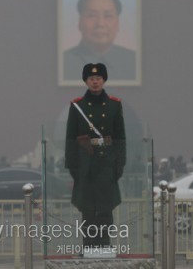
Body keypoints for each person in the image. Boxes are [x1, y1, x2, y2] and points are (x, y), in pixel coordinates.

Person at [64, 63, 126, 249]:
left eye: (98, 78)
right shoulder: (77, 106)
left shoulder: (115, 105)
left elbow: (120, 138)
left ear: (104, 80)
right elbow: (70, 138)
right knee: (88, 210)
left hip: (107, 163)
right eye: (91, 78)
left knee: (106, 210)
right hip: (86, 165)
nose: (95, 81)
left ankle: (105, 247)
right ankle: (89, 247)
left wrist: (119, 164)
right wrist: (74, 168)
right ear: (85, 81)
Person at [63, 0, 136, 81]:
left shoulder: (134, 61)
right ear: (80, 23)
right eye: (91, 16)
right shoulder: (63, 62)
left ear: (118, 23)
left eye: (108, 16)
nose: (100, 24)